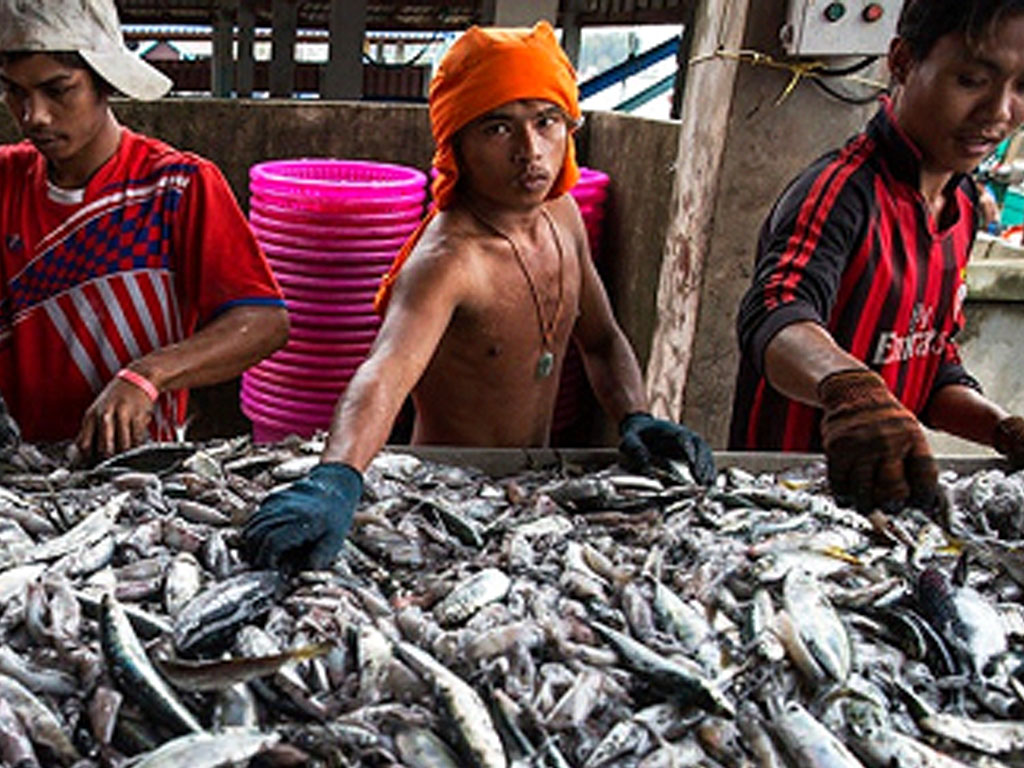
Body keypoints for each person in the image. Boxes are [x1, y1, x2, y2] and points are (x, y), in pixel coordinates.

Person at [243, 22, 714, 571]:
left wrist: (636, 416)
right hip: (446, 491)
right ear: (456, 144)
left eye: (547, 121)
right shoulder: (449, 261)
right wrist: (336, 475)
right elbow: (384, 374)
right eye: (498, 128)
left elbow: (603, 341)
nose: (530, 151)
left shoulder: (563, 217)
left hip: (536, 482)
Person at [729, 0, 1024, 514]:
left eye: (1022, 89)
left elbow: (929, 364)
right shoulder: (840, 191)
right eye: (973, 80)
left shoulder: (960, 207)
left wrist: (1001, 428)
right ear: (904, 62)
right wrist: (849, 390)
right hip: (788, 504)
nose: (1000, 113)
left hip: (881, 508)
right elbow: (775, 315)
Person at [0, 0, 289, 458]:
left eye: (58, 91)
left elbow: (264, 322)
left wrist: (149, 375)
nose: (34, 116)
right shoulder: (6, 181)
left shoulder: (176, 187)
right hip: (21, 468)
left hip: (138, 466)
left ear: (104, 83)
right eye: (14, 92)